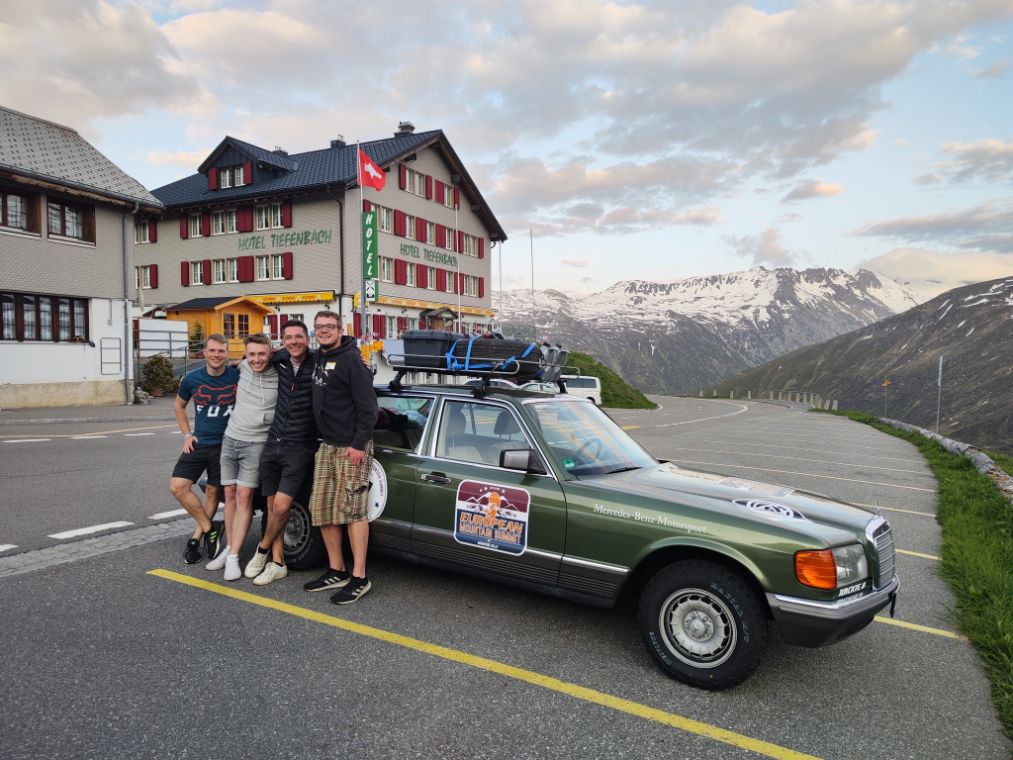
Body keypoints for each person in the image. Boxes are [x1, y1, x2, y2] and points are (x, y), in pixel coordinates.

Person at [303, 310, 378, 603]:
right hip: (327, 446)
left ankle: (360, 576)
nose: (324, 331)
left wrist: (359, 443)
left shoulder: (350, 360)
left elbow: (368, 407)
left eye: (329, 327)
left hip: (351, 446)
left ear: (340, 329)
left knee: (352, 510)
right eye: (319, 327)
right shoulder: (318, 357)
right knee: (321, 508)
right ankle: (337, 569)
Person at [242, 320, 319, 586]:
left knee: (283, 506)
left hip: (299, 445)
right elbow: (254, 359)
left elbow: (347, 365)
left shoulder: (318, 362)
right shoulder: (280, 359)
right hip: (272, 443)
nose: (294, 341)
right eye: (289, 337)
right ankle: (278, 563)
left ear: (308, 339)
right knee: (272, 507)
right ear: (282, 340)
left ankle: (261, 551)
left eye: (299, 336)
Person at [207, 333, 279, 581]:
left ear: (270, 352)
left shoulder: (279, 373)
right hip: (231, 438)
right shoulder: (244, 367)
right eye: (252, 354)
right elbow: (229, 365)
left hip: (256, 444)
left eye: (262, 353)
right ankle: (229, 548)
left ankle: (233, 557)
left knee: (245, 496)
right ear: (246, 355)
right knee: (228, 496)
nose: (257, 359)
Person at [169, 334, 238, 565]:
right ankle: (210, 529)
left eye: (221, 351)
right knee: (178, 487)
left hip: (226, 446)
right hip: (199, 442)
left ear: (227, 353)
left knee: (212, 493)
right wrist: (187, 434)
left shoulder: (236, 375)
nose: (217, 355)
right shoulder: (191, 379)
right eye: (212, 351)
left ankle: (195, 538)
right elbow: (179, 406)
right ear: (205, 353)